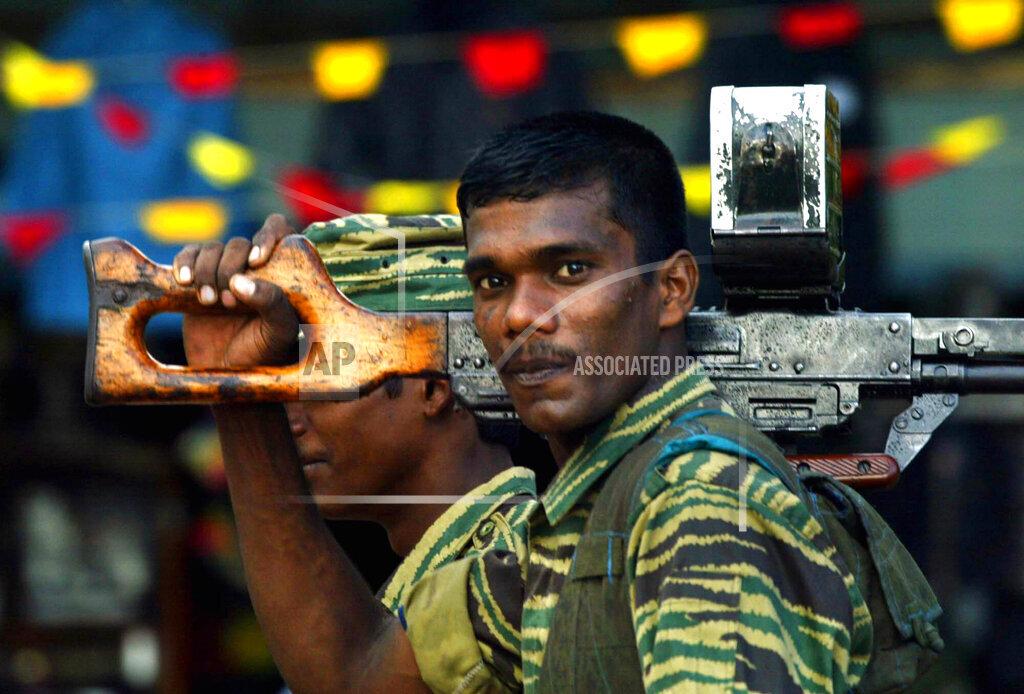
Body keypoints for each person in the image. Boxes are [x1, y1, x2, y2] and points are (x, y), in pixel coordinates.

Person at [450, 111, 874, 692]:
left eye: (571, 270)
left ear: (671, 291)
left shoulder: (701, 498)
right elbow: (365, 675)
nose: (520, 315)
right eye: (492, 283)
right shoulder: (590, 496)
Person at [173, 213, 534, 692]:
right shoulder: (426, 577)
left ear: (431, 388)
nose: (290, 415)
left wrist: (239, 399)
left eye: (323, 375)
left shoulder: (517, 567)